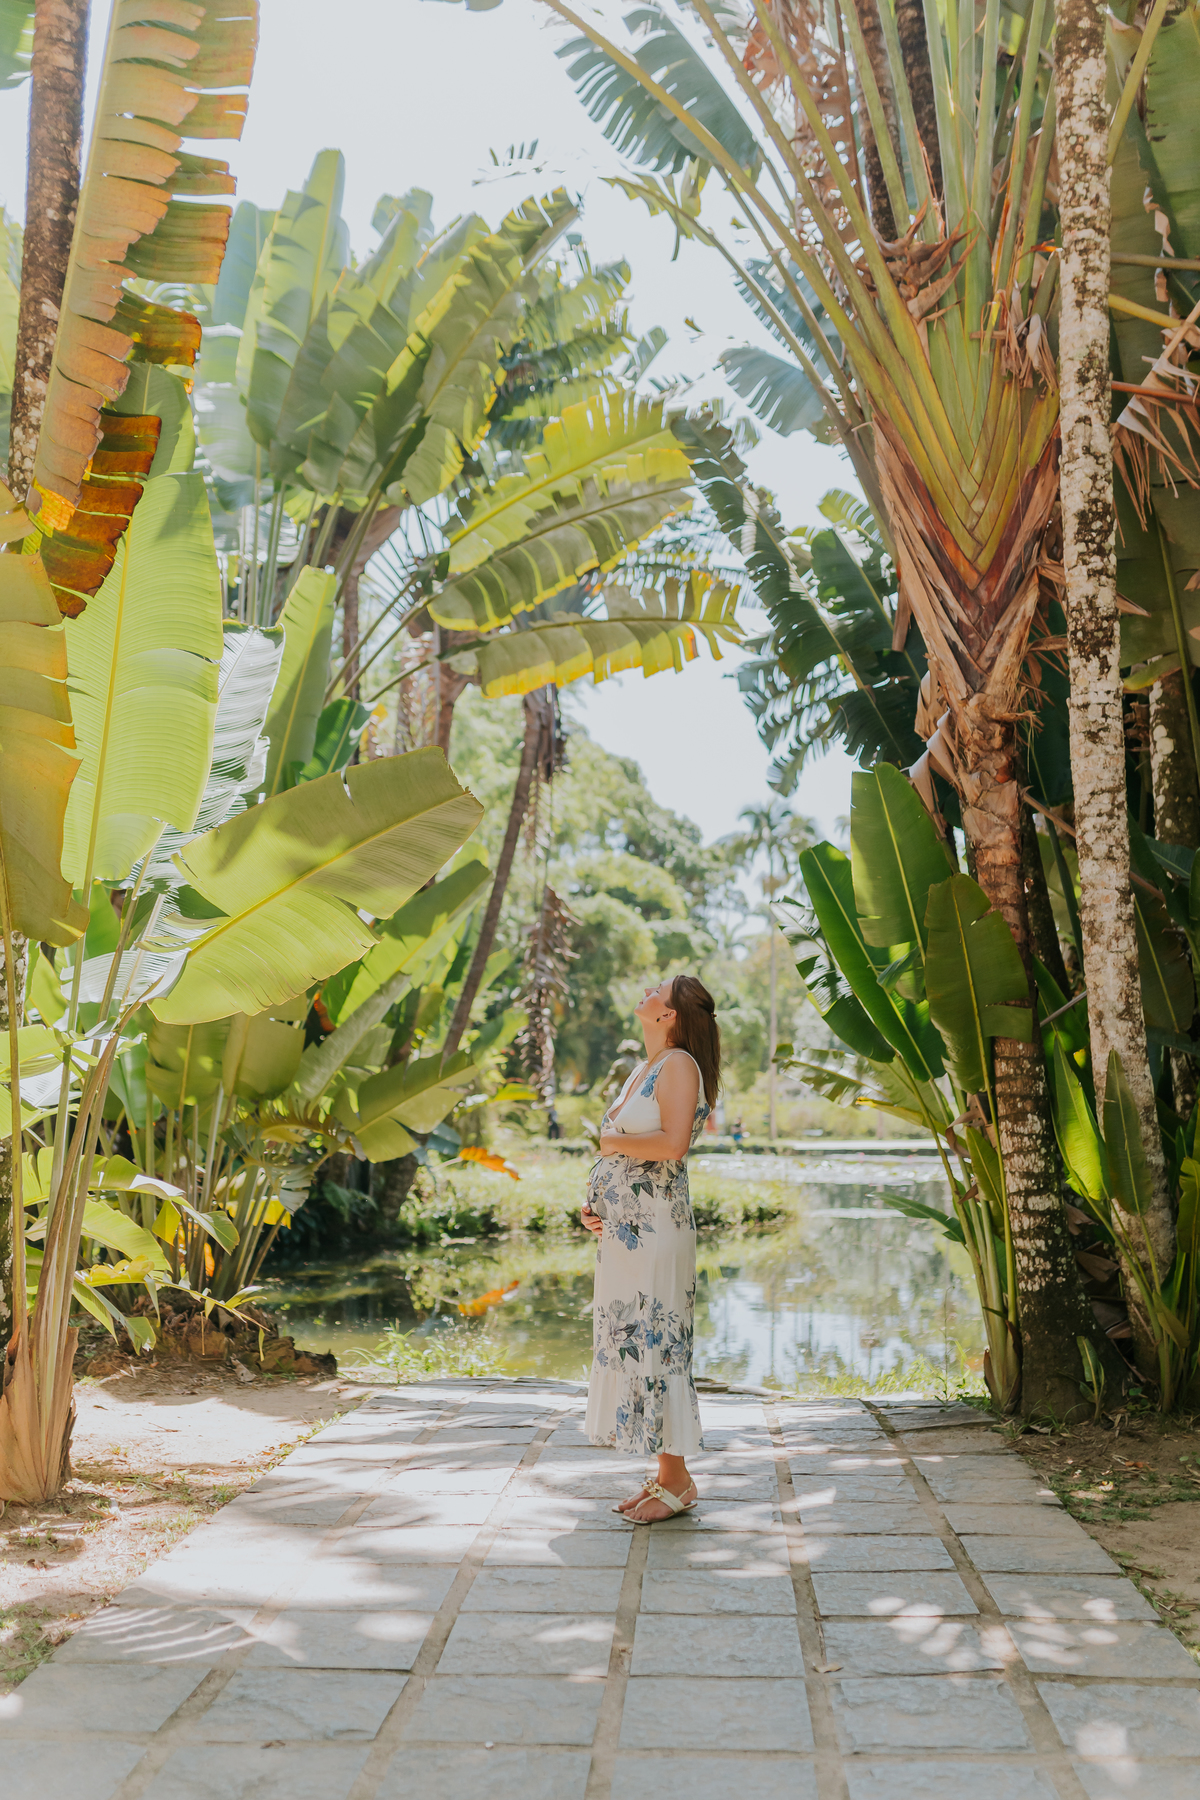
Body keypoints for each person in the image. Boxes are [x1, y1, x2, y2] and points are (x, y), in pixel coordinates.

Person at [581, 974, 721, 1522]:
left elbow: (672, 1144)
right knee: (637, 1339)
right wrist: (595, 1205)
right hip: (627, 1232)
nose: (645, 988)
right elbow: (628, 1158)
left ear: (669, 1015)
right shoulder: (647, 1068)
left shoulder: (680, 1065)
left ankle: (679, 1480)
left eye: (657, 988)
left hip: (658, 1232)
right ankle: (666, 1473)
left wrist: (610, 1142)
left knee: (659, 1341)